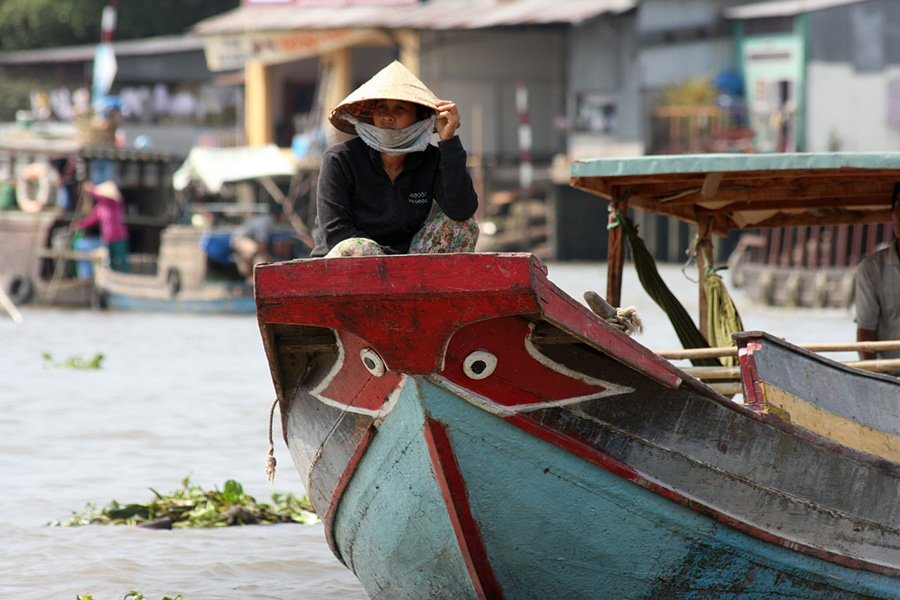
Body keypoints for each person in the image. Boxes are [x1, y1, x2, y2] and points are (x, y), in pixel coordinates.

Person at [310, 61, 479, 257]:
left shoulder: (431, 160)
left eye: (400, 109)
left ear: (419, 119)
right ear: (372, 115)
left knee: (466, 226)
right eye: (382, 107)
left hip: (407, 262)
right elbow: (335, 233)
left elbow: (462, 211)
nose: (388, 117)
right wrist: (390, 260)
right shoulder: (340, 159)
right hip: (349, 264)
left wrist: (448, 142)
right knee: (362, 249)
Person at [854, 191, 900, 366]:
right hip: (891, 374)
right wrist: (872, 376)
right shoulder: (872, 268)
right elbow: (866, 330)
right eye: (898, 205)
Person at [73, 181, 129, 272]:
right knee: (110, 262)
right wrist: (79, 225)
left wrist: (90, 189)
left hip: (119, 237)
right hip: (107, 238)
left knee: (122, 261)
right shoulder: (100, 207)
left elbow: (100, 197)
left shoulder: (115, 203)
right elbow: (92, 220)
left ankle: (126, 279)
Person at [230, 207, 296, 279]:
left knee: (256, 252)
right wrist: (266, 257)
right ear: (278, 214)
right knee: (252, 250)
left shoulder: (272, 222)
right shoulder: (266, 221)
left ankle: (250, 275)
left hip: (249, 240)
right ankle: (249, 276)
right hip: (240, 238)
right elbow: (261, 242)